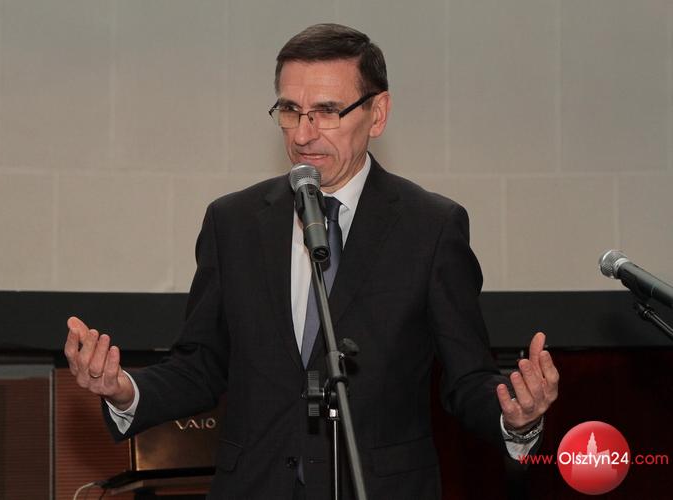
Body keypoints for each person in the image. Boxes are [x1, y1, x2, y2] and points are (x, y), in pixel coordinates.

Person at [64, 23, 559, 499]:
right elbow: (200, 365)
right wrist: (124, 389)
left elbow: (467, 378)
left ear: (378, 113)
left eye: (326, 111)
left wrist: (517, 416)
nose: (303, 134)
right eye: (290, 110)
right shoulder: (233, 222)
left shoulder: (430, 228)